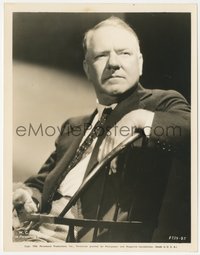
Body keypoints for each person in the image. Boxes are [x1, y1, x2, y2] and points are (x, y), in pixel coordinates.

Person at [13, 16, 190, 242]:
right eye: (101, 55)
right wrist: (27, 195)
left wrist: (139, 117)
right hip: (39, 233)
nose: (113, 63)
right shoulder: (74, 126)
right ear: (87, 69)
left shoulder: (162, 104)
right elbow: (42, 182)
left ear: (140, 62)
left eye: (124, 53)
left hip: (92, 240)